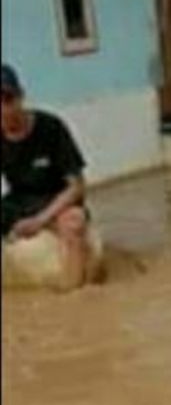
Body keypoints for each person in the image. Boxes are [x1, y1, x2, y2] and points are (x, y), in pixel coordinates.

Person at [1, 64, 93, 290]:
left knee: (74, 225)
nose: (4, 110)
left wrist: (40, 221)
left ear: (21, 96)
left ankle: (76, 296)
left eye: (8, 100)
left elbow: (77, 186)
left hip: (57, 200)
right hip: (19, 201)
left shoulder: (51, 127)